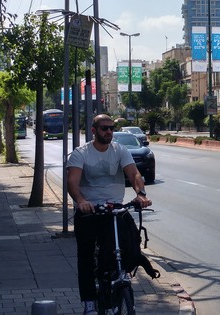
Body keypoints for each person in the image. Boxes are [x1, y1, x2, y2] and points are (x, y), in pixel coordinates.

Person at [67, 114, 152, 315]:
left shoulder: (120, 150)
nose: (109, 132)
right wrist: (81, 202)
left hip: (115, 210)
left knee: (128, 245)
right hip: (90, 212)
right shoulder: (81, 154)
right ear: (94, 130)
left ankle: (119, 277)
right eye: (104, 128)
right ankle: (89, 303)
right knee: (86, 258)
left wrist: (140, 193)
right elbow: (72, 182)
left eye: (111, 128)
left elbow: (134, 174)